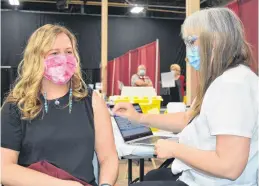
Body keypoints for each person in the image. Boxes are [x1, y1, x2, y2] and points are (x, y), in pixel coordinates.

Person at [113, 8, 258, 186]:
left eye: (192, 41)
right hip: (198, 176)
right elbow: (187, 119)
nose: (189, 52)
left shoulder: (232, 85)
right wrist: (139, 117)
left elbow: (229, 166)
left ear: (216, 40)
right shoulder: (224, 80)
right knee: (151, 177)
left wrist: (175, 149)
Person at [1, 24, 119, 186]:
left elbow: (108, 157)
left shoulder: (91, 101)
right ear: (36, 58)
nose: (64, 58)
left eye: (69, 52)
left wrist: (105, 184)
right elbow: (4, 169)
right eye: (54, 53)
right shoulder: (16, 106)